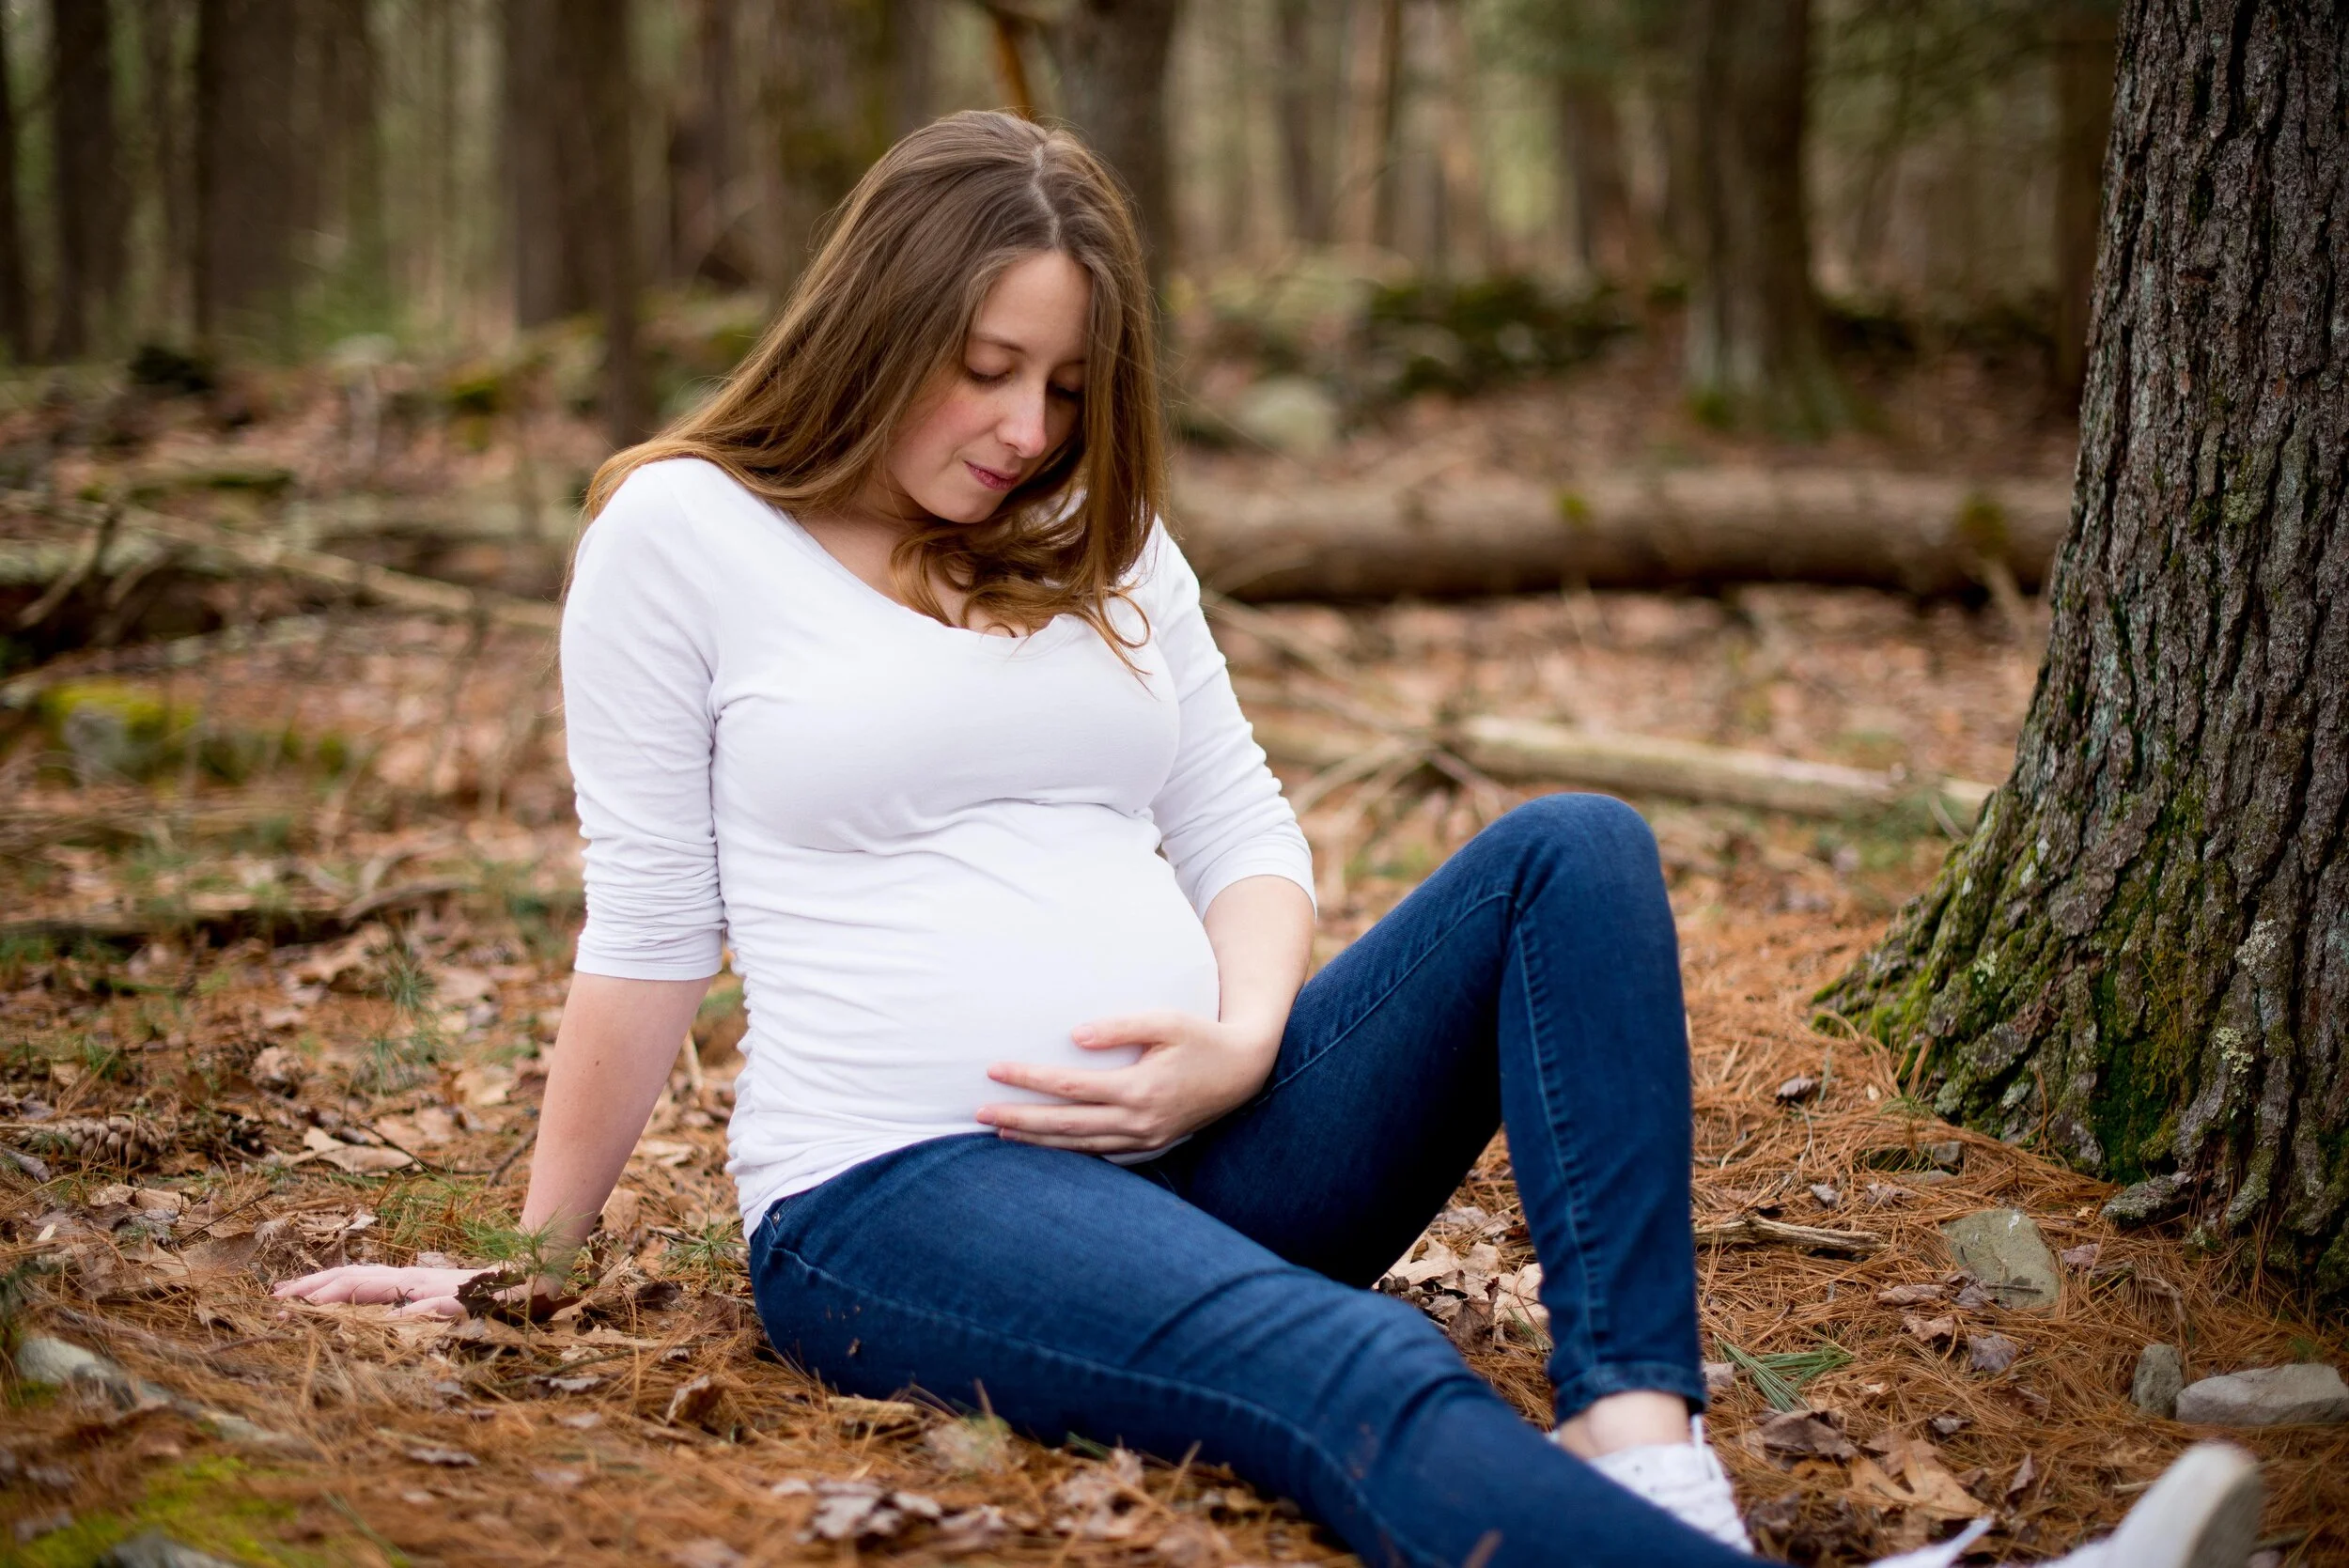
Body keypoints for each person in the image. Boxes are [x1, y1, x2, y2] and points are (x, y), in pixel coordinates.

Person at [277, 110, 2263, 1568]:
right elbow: (644, 923)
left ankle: (1642, 1453)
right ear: (871, 323)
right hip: (897, 1196)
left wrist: (1242, 1032)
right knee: (1357, 1375)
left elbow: (1235, 818)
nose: (1026, 427)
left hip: (1220, 1144)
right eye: (982, 372)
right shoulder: (682, 533)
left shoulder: (1097, 537)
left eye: (1063, 383)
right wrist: (526, 1263)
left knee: (1569, 847)